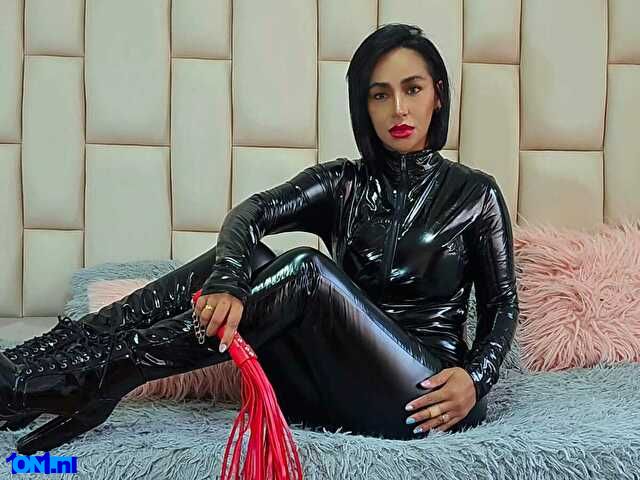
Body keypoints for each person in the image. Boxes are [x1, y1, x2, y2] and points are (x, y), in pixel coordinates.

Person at [0, 23, 519, 454]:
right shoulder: (344, 183)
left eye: (413, 89)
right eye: (380, 94)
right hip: (324, 389)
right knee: (249, 257)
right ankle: (46, 363)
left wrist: (476, 379)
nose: (398, 109)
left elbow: (502, 304)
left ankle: (99, 376)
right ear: (363, 107)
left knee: (308, 271)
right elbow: (252, 211)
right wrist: (228, 278)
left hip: (421, 394)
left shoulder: (474, 194)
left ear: (437, 96)